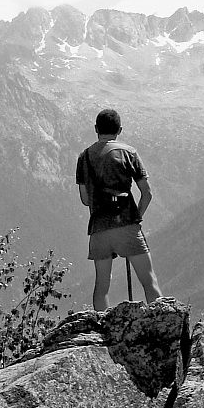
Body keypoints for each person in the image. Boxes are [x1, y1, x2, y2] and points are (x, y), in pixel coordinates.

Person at [76, 108, 163, 311]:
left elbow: (85, 200)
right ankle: (163, 325)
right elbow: (147, 193)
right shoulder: (129, 153)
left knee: (101, 287)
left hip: (98, 227)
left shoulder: (84, 157)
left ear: (96, 129)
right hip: (126, 224)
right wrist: (135, 218)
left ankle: (101, 333)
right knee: (149, 282)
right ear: (120, 130)